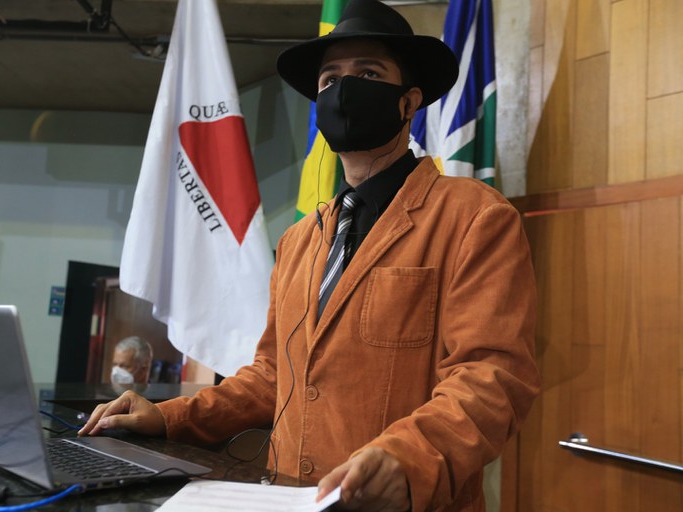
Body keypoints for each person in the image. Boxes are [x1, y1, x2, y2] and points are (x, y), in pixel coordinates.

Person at [80, 1, 540, 510]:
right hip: (288, 499)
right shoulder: (300, 239)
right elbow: (272, 375)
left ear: (409, 103)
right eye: (330, 79)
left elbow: (491, 377)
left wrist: (408, 458)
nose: (344, 89)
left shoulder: (475, 216)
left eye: (369, 73)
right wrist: (171, 416)